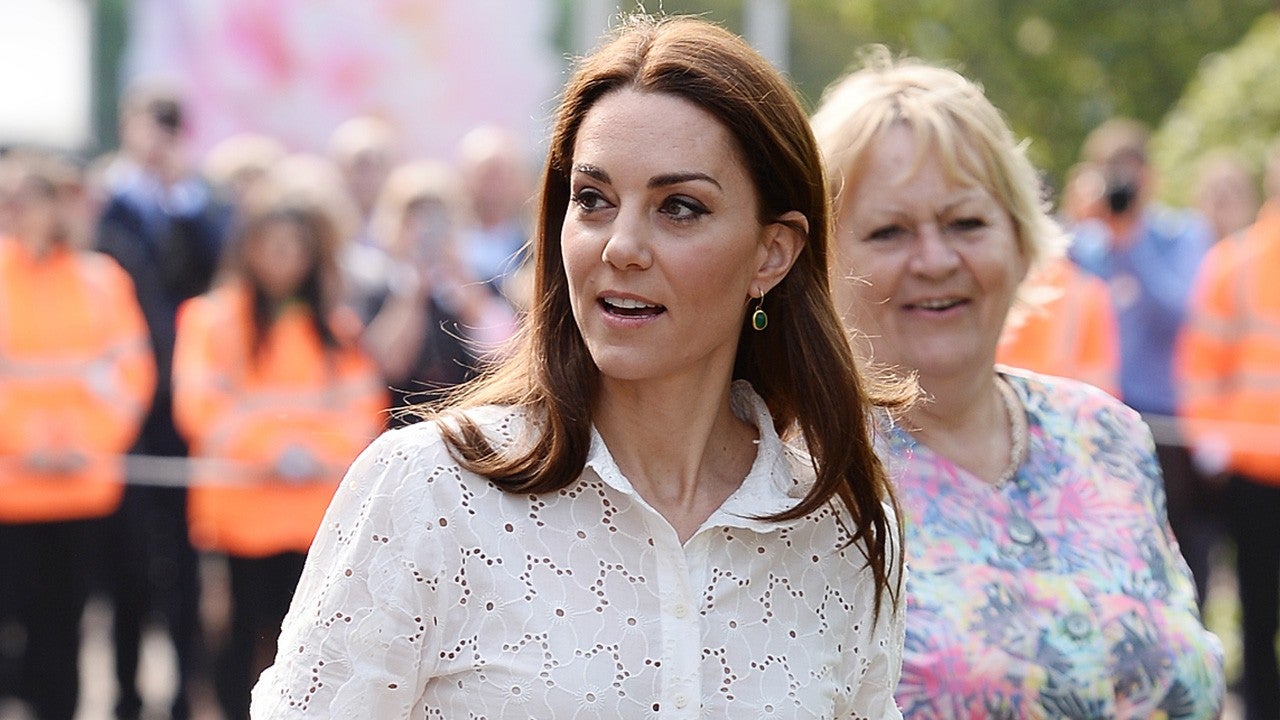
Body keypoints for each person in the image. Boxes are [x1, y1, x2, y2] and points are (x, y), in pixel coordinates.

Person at [252, 15, 907, 717]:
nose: (620, 246)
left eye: (679, 207)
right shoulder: (428, 493)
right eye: (592, 200)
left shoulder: (842, 533)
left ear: (771, 254)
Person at [811, 49, 1224, 718]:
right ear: (821, 263)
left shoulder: (1107, 436)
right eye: (889, 231)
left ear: (1022, 237)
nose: (935, 259)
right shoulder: (805, 476)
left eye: (966, 223)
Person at [171, 193, 387, 720]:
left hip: (316, 517)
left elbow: (364, 406)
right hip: (241, 513)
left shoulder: (335, 327)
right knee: (236, 635)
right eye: (271, 246)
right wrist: (270, 450)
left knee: (312, 645)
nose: (282, 259)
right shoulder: (211, 320)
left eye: (294, 247)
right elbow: (198, 403)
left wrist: (315, 452)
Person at [0, 150, 156, 720]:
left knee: (63, 634)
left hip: (80, 487)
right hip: (11, 488)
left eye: (23, 198)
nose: (12, 210)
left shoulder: (101, 280)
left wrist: (81, 443)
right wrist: (26, 442)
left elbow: (130, 376)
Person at [94, 82, 231, 720]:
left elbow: (217, 266)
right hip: (124, 409)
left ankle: (183, 692)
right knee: (124, 564)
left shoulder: (197, 204)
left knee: (182, 562)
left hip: (184, 403)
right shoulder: (108, 202)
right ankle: (124, 692)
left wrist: (181, 197)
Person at [1066, 118, 1219, 607]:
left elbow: (1183, 314)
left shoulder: (1182, 234)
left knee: (1183, 542)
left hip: (1168, 419)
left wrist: (1130, 244)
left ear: (1149, 177)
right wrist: (1080, 218)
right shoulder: (1085, 244)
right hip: (1101, 416)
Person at [1177, 139, 1280, 720]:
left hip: (1252, 461)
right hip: (1252, 466)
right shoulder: (1234, 264)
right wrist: (1209, 439)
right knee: (1257, 605)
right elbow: (1201, 365)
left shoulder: (1233, 262)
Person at [357, 159, 516, 419]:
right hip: (400, 425)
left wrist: (462, 284)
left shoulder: (480, 283)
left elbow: (504, 355)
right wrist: (412, 294)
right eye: (413, 220)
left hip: (469, 423)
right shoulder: (377, 288)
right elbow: (385, 366)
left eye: (437, 220)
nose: (426, 232)